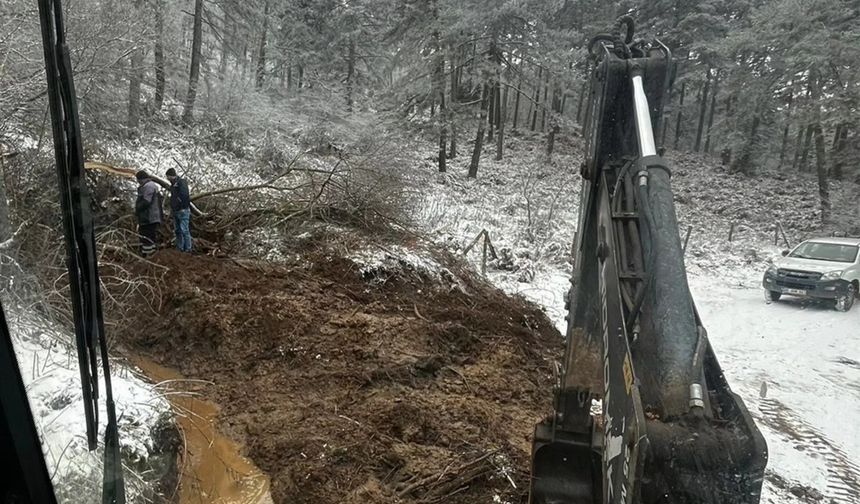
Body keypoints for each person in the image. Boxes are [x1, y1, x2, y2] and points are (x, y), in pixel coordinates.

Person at [135, 170, 163, 257]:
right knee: (150, 236)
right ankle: (151, 254)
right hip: (151, 216)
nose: (138, 183)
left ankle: (148, 255)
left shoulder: (148, 186)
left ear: (141, 179)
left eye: (138, 180)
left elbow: (146, 201)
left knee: (146, 236)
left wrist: (137, 209)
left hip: (149, 217)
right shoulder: (151, 185)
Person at [165, 168, 192, 252]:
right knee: (177, 231)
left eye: (168, 177)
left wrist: (183, 207)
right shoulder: (173, 185)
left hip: (182, 210)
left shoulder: (181, 182)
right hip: (175, 210)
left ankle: (188, 248)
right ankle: (180, 247)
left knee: (184, 230)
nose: (167, 178)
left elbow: (185, 196)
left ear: (171, 176)